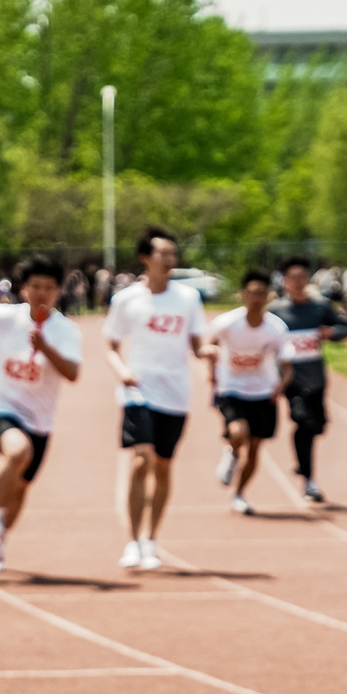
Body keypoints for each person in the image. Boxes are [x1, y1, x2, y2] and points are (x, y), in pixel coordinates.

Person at [0, 254, 83, 573]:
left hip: (40, 419)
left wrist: (46, 348)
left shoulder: (66, 330)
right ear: (23, 289)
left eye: (49, 287)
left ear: (58, 292)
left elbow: (73, 374)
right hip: (0, 406)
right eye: (35, 286)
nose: (41, 293)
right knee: (19, 451)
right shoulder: (6, 317)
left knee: (21, 487)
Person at [103, 229, 202, 567]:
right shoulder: (126, 300)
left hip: (176, 393)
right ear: (146, 258)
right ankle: (132, 541)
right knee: (140, 461)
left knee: (162, 466)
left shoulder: (188, 298)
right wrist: (121, 370)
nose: (170, 260)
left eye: (173, 254)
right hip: (139, 389)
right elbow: (111, 345)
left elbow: (197, 344)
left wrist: (209, 352)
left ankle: (150, 539)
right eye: (163, 254)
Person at [202, 269, 287, 515]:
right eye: (252, 293)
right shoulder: (227, 323)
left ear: (268, 296)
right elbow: (209, 344)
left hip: (263, 390)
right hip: (232, 387)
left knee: (255, 446)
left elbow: (287, 363)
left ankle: (239, 493)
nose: (257, 298)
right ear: (243, 295)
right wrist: (212, 371)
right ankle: (231, 452)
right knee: (239, 431)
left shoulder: (276, 328)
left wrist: (281, 385)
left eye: (262, 293)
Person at [270, 256, 347, 503]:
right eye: (293, 278)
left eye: (302, 277)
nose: (298, 282)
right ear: (285, 281)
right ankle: (308, 478)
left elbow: (346, 328)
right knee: (303, 422)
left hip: (316, 378)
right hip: (291, 379)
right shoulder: (276, 312)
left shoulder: (319, 308)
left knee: (319, 425)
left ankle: (302, 460)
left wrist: (331, 332)